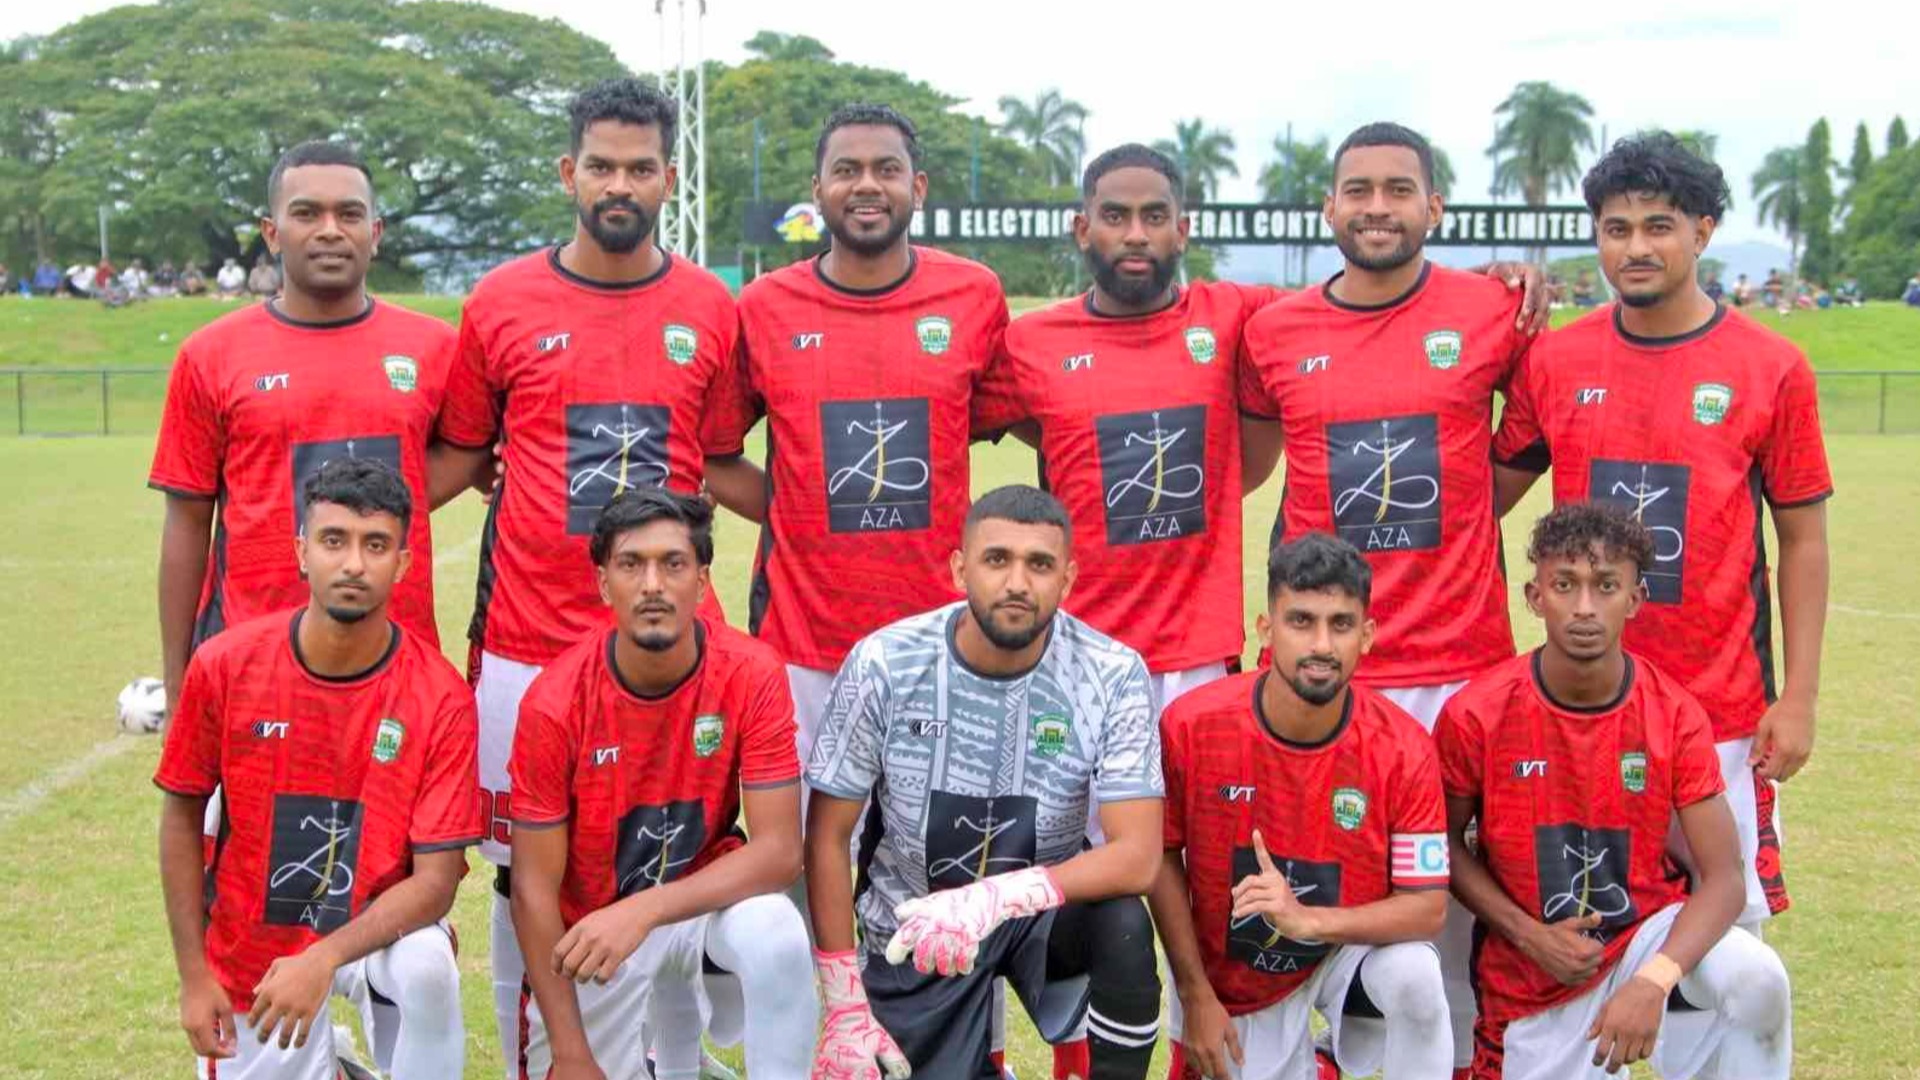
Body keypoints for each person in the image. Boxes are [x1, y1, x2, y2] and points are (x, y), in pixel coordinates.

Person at [432, 77, 752, 1078]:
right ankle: (545, 1058)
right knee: (520, 872)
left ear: (669, 178)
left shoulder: (708, 306)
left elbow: (720, 458)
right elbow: (462, 451)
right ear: (569, 172)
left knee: (677, 850)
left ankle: (671, 1054)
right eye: (602, 166)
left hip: (671, 653)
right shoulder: (500, 300)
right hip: (526, 650)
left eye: (640, 168)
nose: (620, 184)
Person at [1238, 122, 1538, 1069]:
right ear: (1329, 206)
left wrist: (1463, 521)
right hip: (1328, 667)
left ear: (1434, 207)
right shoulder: (1273, 329)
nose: (1377, 207)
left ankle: (1461, 1059)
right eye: (1358, 190)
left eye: (1398, 190)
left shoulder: (1492, 309)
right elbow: (1251, 461)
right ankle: (1329, 1049)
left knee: (1459, 896)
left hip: (1462, 665)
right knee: (1323, 874)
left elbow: (1520, 451)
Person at [1494, 133, 1831, 943]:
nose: (1636, 247)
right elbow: (1480, 498)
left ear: (1702, 231)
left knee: (1728, 954)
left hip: (1720, 712)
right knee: (1585, 931)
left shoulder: (1772, 366)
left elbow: (1804, 542)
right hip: (1580, 708)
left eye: (1659, 226)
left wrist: (1799, 698)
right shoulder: (1557, 360)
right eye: (1617, 228)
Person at [805, 485, 1164, 1080]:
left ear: (1068, 579)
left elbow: (1139, 856)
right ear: (959, 568)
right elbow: (826, 835)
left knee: (1122, 924)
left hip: (1041, 914)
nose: (1017, 582)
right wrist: (844, 1002)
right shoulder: (885, 663)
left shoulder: (1112, 673)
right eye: (997, 559)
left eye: (1040, 564)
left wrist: (995, 897)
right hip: (914, 923)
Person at [1436, 503, 1791, 1079]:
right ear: (1534, 596)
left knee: (1758, 980)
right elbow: (1442, 845)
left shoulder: (1673, 714)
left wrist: (1655, 978)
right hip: (1534, 968)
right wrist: (1529, 935)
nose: (1584, 606)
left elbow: (1725, 877)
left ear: (1635, 598)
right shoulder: (1477, 713)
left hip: (1646, 935)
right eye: (1564, 585)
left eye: (1605, 585)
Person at [154, 457, 481, 1079]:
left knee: (427, 969)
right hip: (253, 946)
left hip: (374, 934)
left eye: (375, 545)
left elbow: (437, 882)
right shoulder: (225, 665)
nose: (353, 563)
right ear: (302, 552)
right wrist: (193, 977)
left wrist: (324, 956)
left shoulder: (440, 695)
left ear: (403, 564)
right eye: (334, 541)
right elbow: (180, 818)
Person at [713, 103, 1014, 765]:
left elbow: (1028, 418)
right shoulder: (764, 307)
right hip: (801, 643)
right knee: (805, 827)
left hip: (942, 635)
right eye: (847, 170)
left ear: (919, 187)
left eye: (887, 169)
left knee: (939, 827)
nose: (867, 185)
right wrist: (793, 507)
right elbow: (713, 453)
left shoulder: (974, 295)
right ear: (818, 189)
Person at [509, 489, 816, 1080]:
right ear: (604, 585)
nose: (653, 584)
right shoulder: (555, 702)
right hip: (594, 935)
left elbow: (781, 852)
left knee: (776, 932)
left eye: (673, 564)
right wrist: (572, 1054)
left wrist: (645, 910)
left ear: (702, 583)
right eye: (631, 564)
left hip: (701, 908)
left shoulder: (751, 671)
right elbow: (531, 888)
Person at [150, 139, 457, 717]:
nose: (330, 230)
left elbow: (479, 452)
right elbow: (186, 522)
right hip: (253, 668)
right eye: (307, 213)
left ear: (375, 232)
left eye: (349, 214)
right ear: (272, 233)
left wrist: (407, 494)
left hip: (398, 668)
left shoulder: (436, 348)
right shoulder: (209, 356)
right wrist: (177, 684)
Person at [975, 143, 1285, 711]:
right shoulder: (1031, 343)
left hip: (1200, 658)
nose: (1136, 234)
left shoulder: (1234, 315)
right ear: (1083, 230)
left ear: (1182, 231)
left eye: (1155, 216)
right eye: (1115, 216)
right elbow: (947, 408)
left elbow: (1344, 314)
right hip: (1076, 652)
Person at [1151, 533, 1453, 1080]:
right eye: (1301, 621)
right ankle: (1319, 1063)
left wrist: (1308, 920)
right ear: (1266, 629)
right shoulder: (1192, 725)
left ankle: (1333, 1048)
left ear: (1367, 635)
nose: (1321, 645)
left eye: (1341, 625)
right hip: (1236, 974)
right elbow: (1162, 857)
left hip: (1347, 953)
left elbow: (1427, 907)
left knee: (1415, 976)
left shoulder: (1404, 746)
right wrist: (1194, 994)